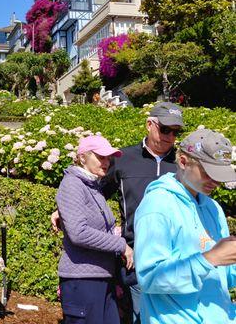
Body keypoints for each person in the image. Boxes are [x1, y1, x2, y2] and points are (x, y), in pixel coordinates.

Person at [52, 102, 184, 323]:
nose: (170, 136)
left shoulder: (182, 165)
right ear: (149, 124)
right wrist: (63, 209)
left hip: (174, 261)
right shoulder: (125, 159)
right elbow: (94, 192)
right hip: (136, 261)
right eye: (165, 129)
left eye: (175, 131)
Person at [134, 129, 236, 323]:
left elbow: (226, 277)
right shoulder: (157, 205)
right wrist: (210, 258)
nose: (215, 182)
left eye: (220, 175)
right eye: (208, 173)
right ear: (182, 161)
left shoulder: (213, 207)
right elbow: (150, 278)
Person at [56, 135, 133, 324]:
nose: (106, 162)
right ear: (82, 157)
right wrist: (120, 245)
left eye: (109, 158)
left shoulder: (94, 187)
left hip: (102, 278)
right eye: (101, 157)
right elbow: (78, 233)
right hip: (82, 280)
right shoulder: (72, 184)